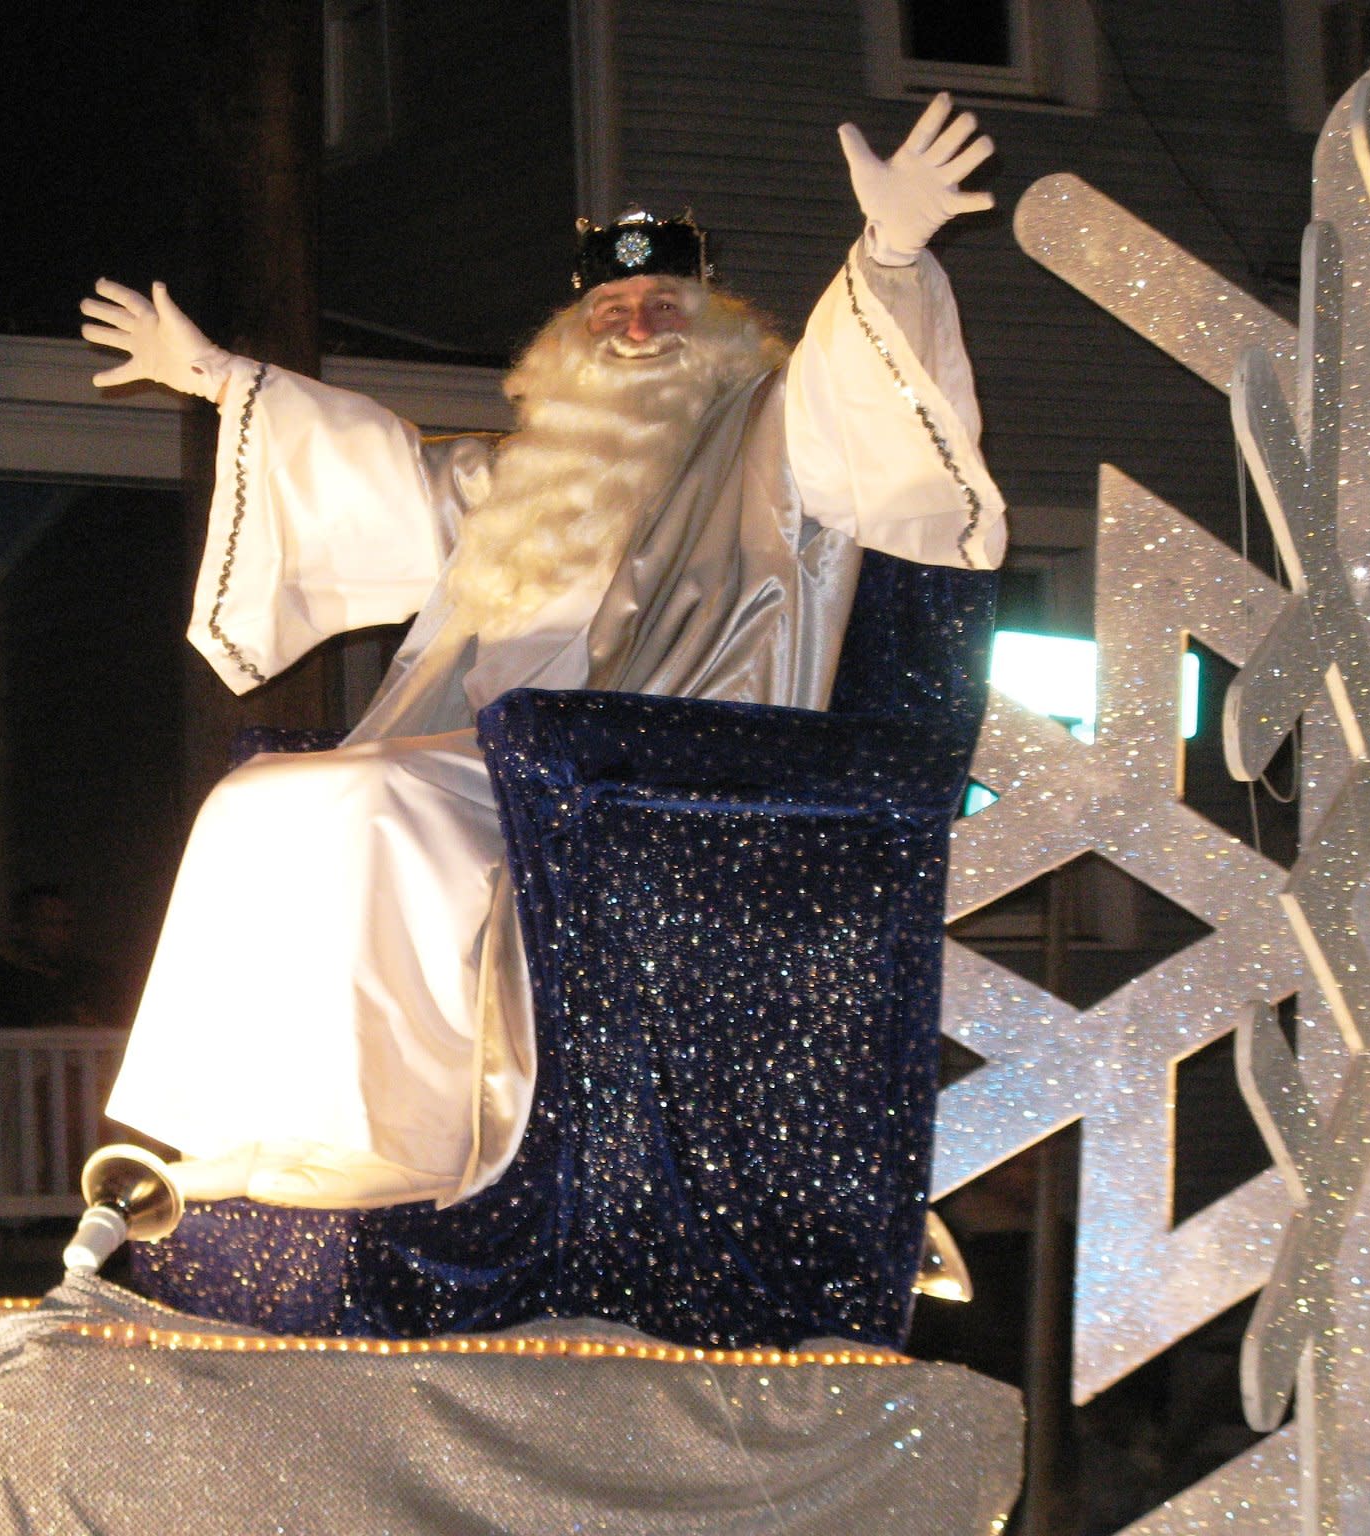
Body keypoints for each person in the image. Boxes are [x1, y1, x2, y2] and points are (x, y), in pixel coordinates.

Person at [80, 95, 1007, 1214]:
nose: (632, 325)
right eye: (609, 307)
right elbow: (375, 473)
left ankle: (404, 1140)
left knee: (373, 804)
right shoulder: (526, 472)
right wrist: (220, 378)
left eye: (661, 304)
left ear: (713, 321)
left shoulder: (767, 434)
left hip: (649, 778)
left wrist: (889, 253)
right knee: (258, 801)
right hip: (485, 766)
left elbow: (856, 399)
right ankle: (239, 1129)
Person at [0, 883, 113, 1030]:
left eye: (66, 924)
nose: (60, 934)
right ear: (20, 928)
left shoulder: (87, 977)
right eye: (49, 924)